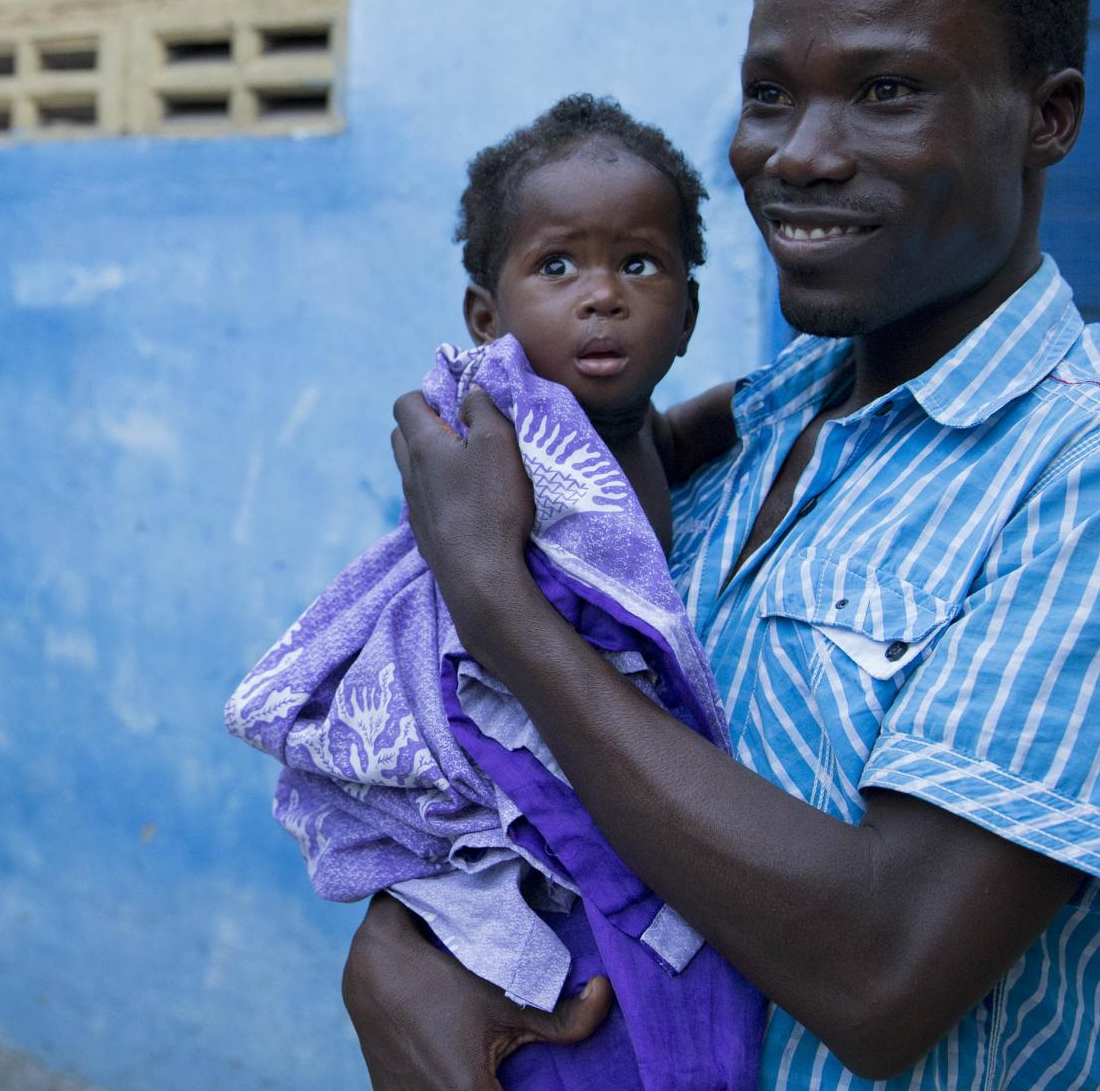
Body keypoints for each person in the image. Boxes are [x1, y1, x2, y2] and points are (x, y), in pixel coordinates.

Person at [343, 0, 1100, 1089]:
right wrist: (408, 948)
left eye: (886, 92)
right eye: (768, 94)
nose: (796, 154)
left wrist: (496, 598)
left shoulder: (1073, 471)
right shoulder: (743, 423)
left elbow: (885, 970)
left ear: (1047, 118)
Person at [228, 95, 763, 1085]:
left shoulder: (635, 426)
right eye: (557, 267)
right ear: (489, 317)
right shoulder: (519, 435)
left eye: (637, 264)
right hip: (527, 751)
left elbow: (665, 450)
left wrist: (757, 399)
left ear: (687, 311)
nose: (600, 295)